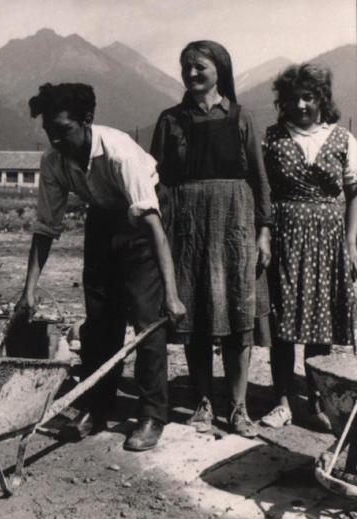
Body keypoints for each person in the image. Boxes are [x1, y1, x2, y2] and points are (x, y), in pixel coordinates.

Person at [17, 82, 185, 452]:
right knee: (99, 321)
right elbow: (45, 228)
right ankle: (96, 406)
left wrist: (171, 296)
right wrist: (29, 290)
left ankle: (152, 413)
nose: (56, 140)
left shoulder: (120, 153)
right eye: (49, 132)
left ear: (87, 121)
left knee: (146, 319)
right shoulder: (54, 161)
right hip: (103, 218)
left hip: (145, 217)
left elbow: (154, 225)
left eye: (63, 130)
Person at [150, 40, 273, 438]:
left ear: (219, 69)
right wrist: (164, 236)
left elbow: (258, 178)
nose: (191, 74)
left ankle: (238, 408)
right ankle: (203, 401)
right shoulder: (170, 120)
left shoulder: (241, 117)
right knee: (196, 312)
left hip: (235, 226)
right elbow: (159, 184)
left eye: (199, 67)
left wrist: (264, 230)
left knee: (240, 316)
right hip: (187, 228)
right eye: (186, 67)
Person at [260, 63, 357, 430]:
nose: (300, 105)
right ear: (282, 103)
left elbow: (354, 192)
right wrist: (265, 233)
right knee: (283, 321)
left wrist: (351, 243)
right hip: (286, 236)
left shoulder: (343, 138)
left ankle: (316, 402)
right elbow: (263, 191)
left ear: (321, 99)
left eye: (308, 97)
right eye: (292, 98)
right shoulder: (272, 138)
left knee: (321, 324)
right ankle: (281, 401)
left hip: (329, 240)